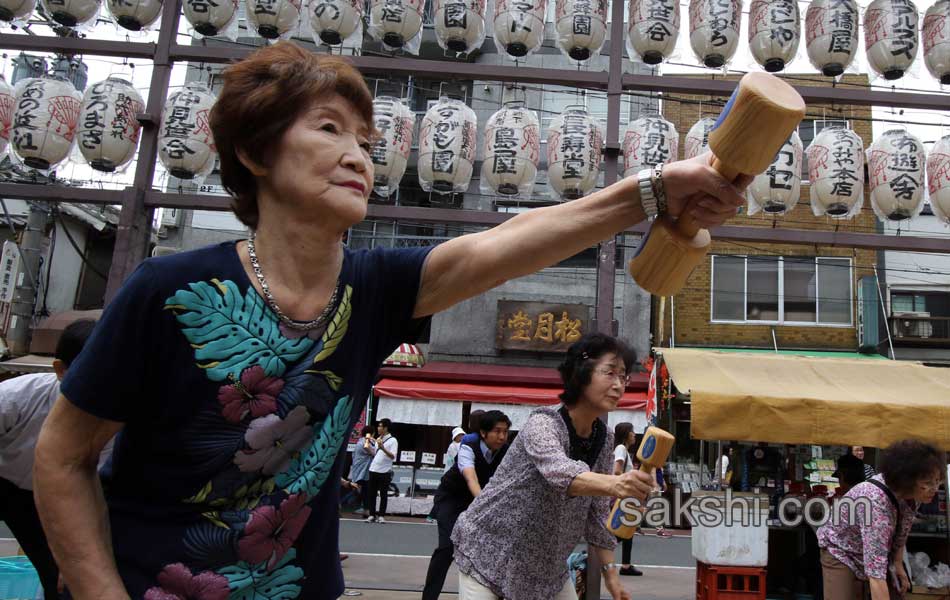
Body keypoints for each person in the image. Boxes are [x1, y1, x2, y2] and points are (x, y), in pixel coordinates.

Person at [32, 43, 749, 600]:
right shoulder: (171, 288)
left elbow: (501, 245)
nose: (357, 155)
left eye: (367, 143)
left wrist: (653, 192)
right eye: (328, 129)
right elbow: (62, 458)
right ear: (254, 153)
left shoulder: (371, 289)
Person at [452, 333, 656, 600]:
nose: (619, 385)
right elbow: (558, 471)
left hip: (545, 567)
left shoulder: (604, 438)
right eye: (609, 373)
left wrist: (611, 576)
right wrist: (617, 484)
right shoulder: (543, 423)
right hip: (490, 550)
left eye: (624, 376)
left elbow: (596, 515)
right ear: (580, 375)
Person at [0, 319, 97, 600]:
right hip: (3, 477)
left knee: (61, 579)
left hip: (50, 499)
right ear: (61, 370)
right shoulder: (15, 397)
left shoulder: (117, 419)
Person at [817, 439, 944, 600]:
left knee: (897, 593)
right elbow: (876, 576)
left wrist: (898, 563)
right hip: (841, 550)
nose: (934, 489)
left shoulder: (915, 494)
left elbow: (903, 529)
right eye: (927, 483)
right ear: (906, 480)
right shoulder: (875, 502)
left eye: (937, 481)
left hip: (873, 550)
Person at [422, 411, 511, 600]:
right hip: (452, 498)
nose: (502, 436)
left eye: (506, 431)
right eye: (497, 431)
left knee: (492, 548)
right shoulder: (468, 445)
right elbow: (471, 479)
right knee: (447, 548)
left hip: (478, 501)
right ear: (483, 432)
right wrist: (484, 506)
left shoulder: (506, 451)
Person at [611, 422, 642, 577]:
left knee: (628, 530)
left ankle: (626, 565)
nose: (634, 434)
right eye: (632, 431)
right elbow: (617, 470)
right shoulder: (621, 449)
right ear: (625, 434)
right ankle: (596, 554)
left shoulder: (624, 450)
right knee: (621, 531)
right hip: (621, 496)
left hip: (624, 496)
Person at [366, 418, 398, 523]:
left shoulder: (393, 441)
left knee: (383, 494)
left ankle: (381, 515)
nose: (378, 428)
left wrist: (383, 448)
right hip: (373, 469)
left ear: (386, 428)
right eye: (378, 426)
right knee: (371, 493)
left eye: (380, 426)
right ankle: (371, 514)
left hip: (385, 471)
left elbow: (393, 456)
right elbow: (376, 454)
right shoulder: (378, 438)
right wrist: (368, 448)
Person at [349, 425, 375, 514]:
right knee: (363, 489)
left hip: (360, 469)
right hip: (362, 470)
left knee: (362, 489)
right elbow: (367, 448)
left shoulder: (360, 441)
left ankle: (364, 508)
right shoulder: (365, 442)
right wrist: (375, 453)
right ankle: (365, 509)